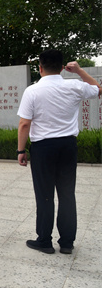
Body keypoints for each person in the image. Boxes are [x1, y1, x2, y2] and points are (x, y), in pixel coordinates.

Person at [17, 49, 102, 255]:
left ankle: (44, 241)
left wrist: (20, 150)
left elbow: (24, 124)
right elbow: (98, 89)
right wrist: (79, 71)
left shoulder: (32, 91)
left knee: (44, 195)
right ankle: (67, 243)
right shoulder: (74, 86)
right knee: (67, 194)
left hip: (43, 148)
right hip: (67, 146)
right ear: (63, 68)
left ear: (40, 68)